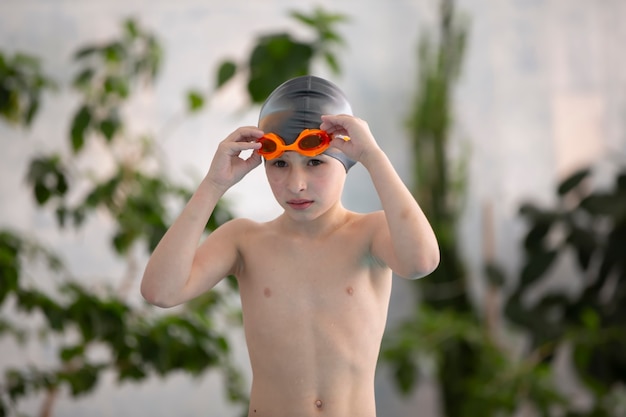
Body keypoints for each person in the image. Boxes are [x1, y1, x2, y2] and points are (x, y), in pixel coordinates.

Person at [141, 75, 439, 417]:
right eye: (280, 164)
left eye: (315, 163)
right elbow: (159, 291)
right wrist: (213, 184)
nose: (296, 185)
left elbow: (422, 261)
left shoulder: (371, 234)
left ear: (346, 159)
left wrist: (373, 156)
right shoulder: (245, 241)